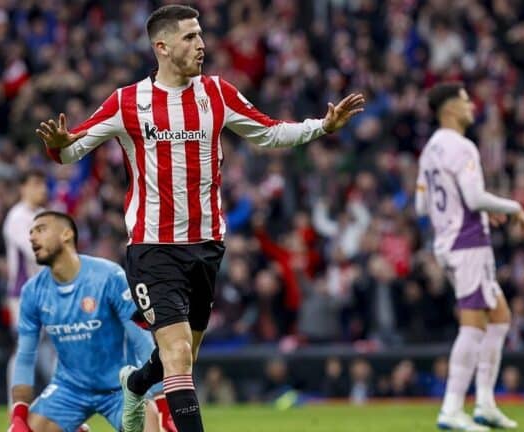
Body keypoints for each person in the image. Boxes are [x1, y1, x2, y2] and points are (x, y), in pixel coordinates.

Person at [35, 5, 365, 432]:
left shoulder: (217, 94)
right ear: (162, 47)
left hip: (206, 245)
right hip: (153, 246)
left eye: (200, 35)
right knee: (176, 357)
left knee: (182, 357)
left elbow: (268, 132)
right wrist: (59, 144)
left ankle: (135, 383)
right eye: (190, 37)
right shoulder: (127, 102)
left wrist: (323, 126)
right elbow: (70, 152)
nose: (201, 44)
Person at [415, 82, 524, 431]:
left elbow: (422, 205)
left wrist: (467, 210)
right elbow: (474, 197)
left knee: (500, 316)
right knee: (473, 325)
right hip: (468, 244)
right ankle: (451, 408)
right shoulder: (462, 146)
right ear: (450, 108)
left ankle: (485, 403)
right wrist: (513, 207)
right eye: (466, 101)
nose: (472, 107)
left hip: (447, 242)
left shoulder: (430, 150)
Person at [7, 211, 174, 432]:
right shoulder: (32, 291)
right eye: (30, 233)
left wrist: (163, 406)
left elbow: (142, 341)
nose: (32, 237)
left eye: (40, 229)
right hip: (69, 390)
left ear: (66, 234)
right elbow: (25, 356)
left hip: (122, 387)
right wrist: (19, 415)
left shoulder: (109, 276)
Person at [3, 169, 57, 410]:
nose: (41, 189)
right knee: (25, 349)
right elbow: (36, 252)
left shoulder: (44, 215)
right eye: (35, 184)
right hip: (23, 294)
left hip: (48, 291)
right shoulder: (17, 216)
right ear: (23, 187)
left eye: (43, 184)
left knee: (53, 348)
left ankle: (61, 406)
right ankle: (15, 405)